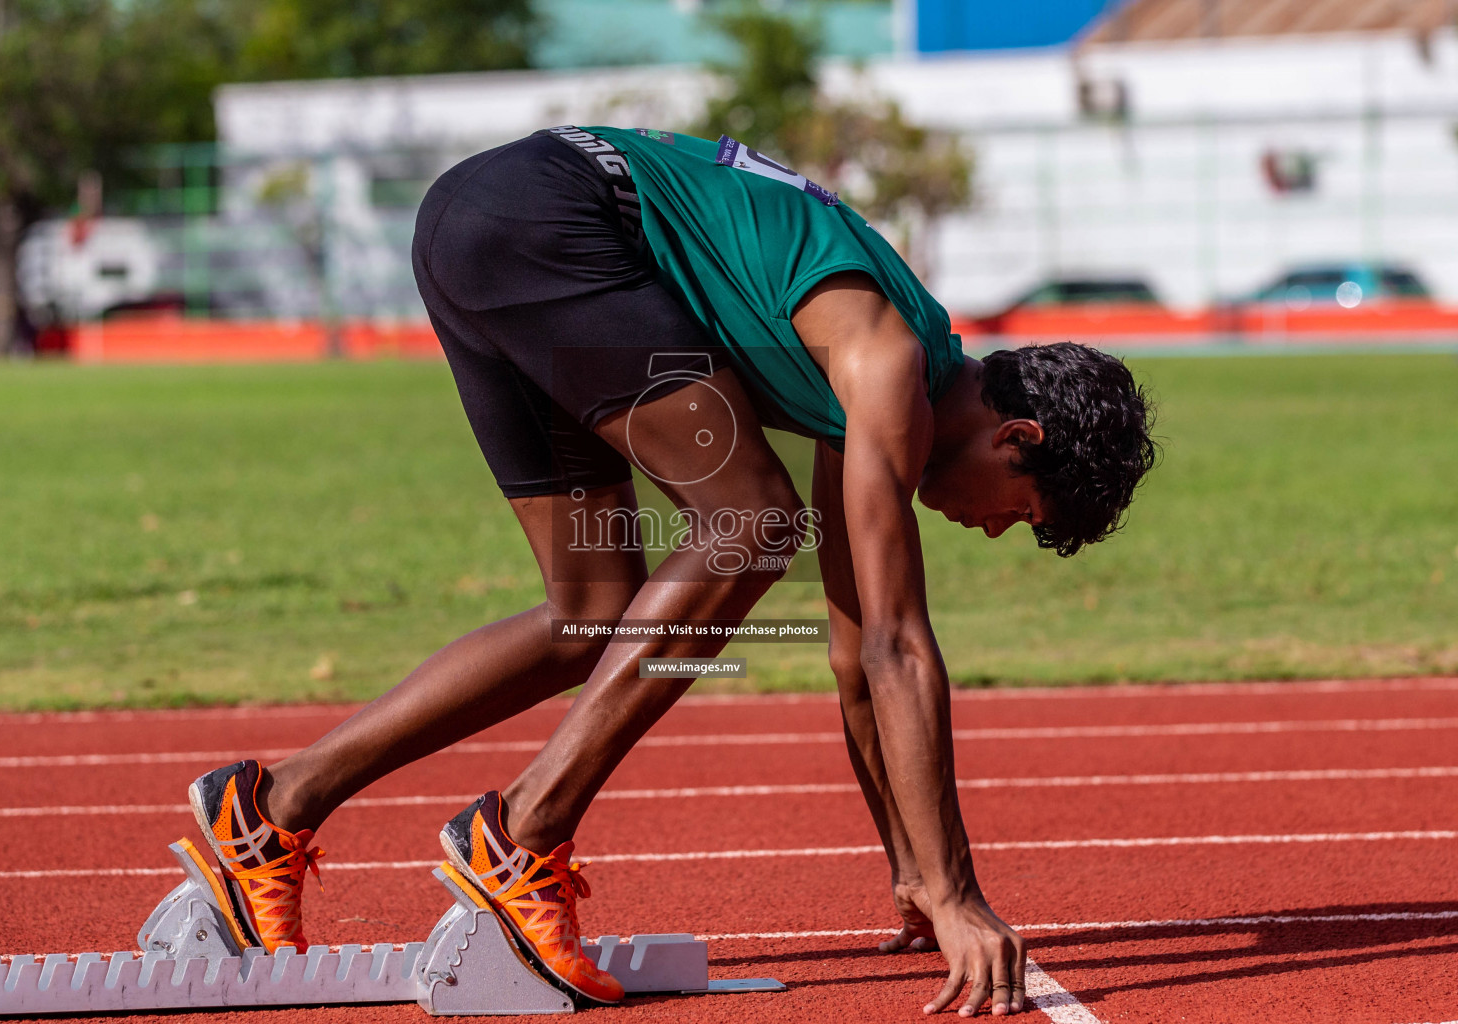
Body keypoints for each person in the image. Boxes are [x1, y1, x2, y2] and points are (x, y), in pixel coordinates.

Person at [187, 126, 1157, 1018]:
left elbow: (860, 652)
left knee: (591, 608)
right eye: (1017, 511)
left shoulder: (877, 389)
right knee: (752, 519)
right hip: (547, 219)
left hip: (480, 221)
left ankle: (267, 810)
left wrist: (910, 864)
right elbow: (903, 646)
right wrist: (957, 895)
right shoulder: (889, 366)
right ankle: (521, 833)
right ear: (1015, 434)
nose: (990, 531)